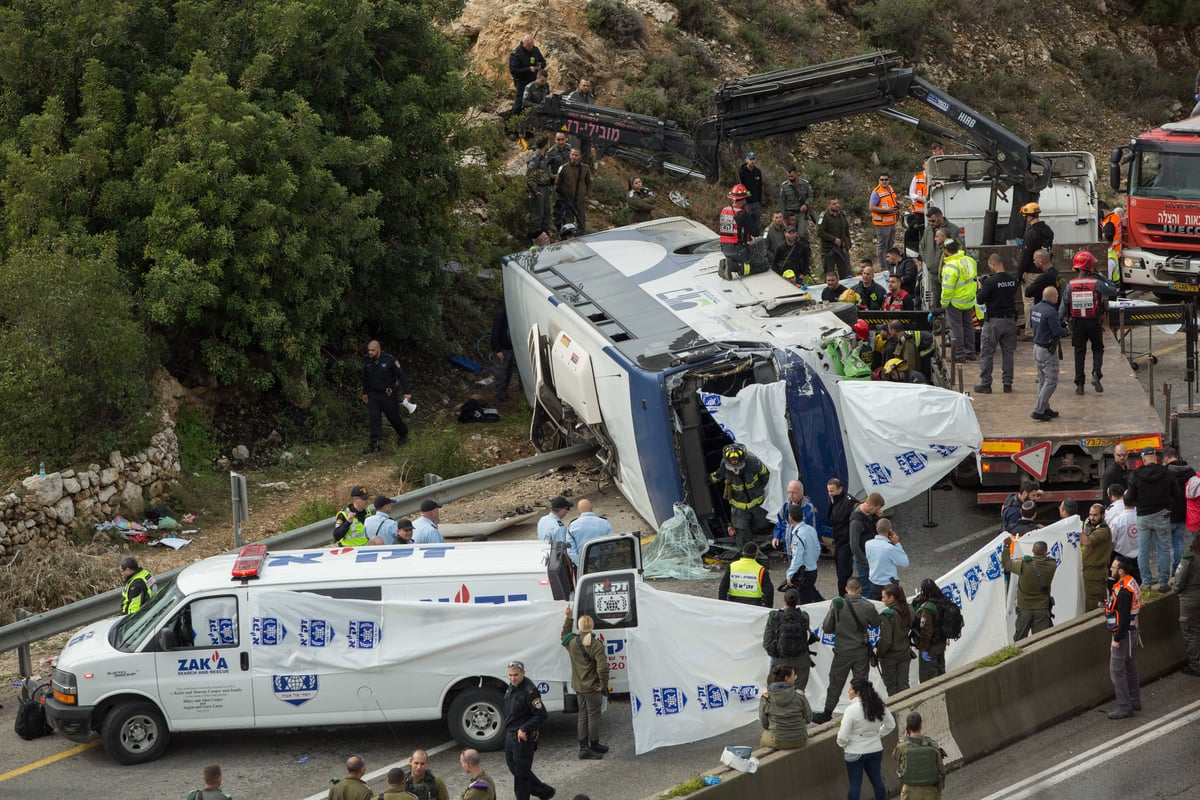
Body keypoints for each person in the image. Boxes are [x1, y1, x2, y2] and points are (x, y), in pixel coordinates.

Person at [813, 578, 880, 724]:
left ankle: (827, 713)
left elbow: (827, 628)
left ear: (846, 588)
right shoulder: (867, 606)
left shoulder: (837, 605)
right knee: (861, 683)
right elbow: (876, 623)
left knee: (836, 683)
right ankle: (864, 711)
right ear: (860, 589)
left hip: (842, 652)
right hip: (861, 651)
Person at [1060, 250, 1118, 395]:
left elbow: (1063, 306)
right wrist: (1102, 276)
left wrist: (1058, 322)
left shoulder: (1070, 285)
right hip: (1094, 322)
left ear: (1076, 267)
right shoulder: (1096, 283)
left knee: (1079, 352)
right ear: (1091, 266)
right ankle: (1096, 375)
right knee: (1097, 349)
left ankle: (1079, 385)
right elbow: (1113, 290)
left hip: (1078, 323)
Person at [1127, 447, 1182, 591]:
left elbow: (1129, 498)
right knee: (1163, 548)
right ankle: (1163, 583)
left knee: (1143, 550)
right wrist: (1168, 507)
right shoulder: (1167, 473)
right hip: (1162, 516)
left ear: (1143, 459)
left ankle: (1146, 583)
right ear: (1157, 458)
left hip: (1143, 517)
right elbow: (1177, 494)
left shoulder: (1136, 475)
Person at [835, 678, 896, 800]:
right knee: (877, 781)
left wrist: (844, 745)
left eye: (851, 689)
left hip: (854, 751)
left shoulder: (851, 710)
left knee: (855, 785)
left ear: (857, 692)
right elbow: (891, 725)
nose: (848, 691)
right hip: (875, 749)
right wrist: (877, 735)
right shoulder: (878, 705)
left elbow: (842, 736)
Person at [562, 607, 610, 759]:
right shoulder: (596, 645)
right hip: (592, 687)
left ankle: (584, 747)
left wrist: (568, 618)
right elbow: (603, 668)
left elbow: (563, 635)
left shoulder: (572, 641)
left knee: (582, 716)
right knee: (593, 717)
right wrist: (603, 684)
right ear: (592, 626)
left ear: (579, 626)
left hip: (578, 686)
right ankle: (593, 745)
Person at [502, 661, 553, 800]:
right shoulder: (512, 686)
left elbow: (541, 714)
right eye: (510, 675)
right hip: (510, 735)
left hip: (522, 738)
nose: (513, 678)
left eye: (516, 675)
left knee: (521, 776)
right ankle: (544, 791)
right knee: (514, 768)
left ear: (523, 673)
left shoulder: (530, 691)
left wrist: (524, 728)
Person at [708, 442, 769, 551]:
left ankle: (758, 540)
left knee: (762, 524)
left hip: (756, 502)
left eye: (736, 460)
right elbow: (718, 475)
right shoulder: (724, 465)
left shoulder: (753, 462)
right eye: (732, 461)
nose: (735, 463)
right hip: (738, 505)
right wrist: (710, 479)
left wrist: (760, 488)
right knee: (741, 531)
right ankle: (747, 553)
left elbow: (765, 474)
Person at [974, 252, 1019, 394]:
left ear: (993, 265)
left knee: (987, 353)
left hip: (993, 321)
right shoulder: (1012, 279)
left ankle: (986, 384)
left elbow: (980, 299)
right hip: (1010, 320)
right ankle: (1007, 383)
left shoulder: (990, 282)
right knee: (1008, 353)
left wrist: (980, 286)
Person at [1105, 557, 1142, 719]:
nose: (1110, 570)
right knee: (1130, 666)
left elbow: (1124, 618)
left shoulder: (1124, 591)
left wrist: (1117, 639)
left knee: (1117, 671)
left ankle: (1125, 706)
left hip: (1124, 633)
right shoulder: (1130, 581)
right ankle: (1135, 701)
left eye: (1113, 567)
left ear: (1121, 571)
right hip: (1133, 631)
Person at [362, 340, 412, 453]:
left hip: (388, 394)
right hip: (373, 394)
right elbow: (366, 378)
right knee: (374, 418)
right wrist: (365, 392)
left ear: (378, 349)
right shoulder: (368, 361)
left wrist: (407, 392)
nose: (370, 352)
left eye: (372, 350)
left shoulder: (389, 360)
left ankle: (403, 433)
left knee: (393, 417)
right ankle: (375, 443)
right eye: (369, 350)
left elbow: (401, 376)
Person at [763, 588, 816, 691]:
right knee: (799, 692)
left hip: (780, 659)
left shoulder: (775, 617)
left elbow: (767, 642)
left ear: (784, 600)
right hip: (801, 659)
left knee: (774, 690)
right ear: (798, 601)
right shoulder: (804, 617)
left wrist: (775, 654)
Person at [1004, 539, 1058, 640]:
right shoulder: (1052, 565)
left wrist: (1007, 547)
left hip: (1024, 608)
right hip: (1042, 608)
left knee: (1020, 639)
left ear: (1033, 551)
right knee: (1041, 639)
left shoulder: (1023, 566)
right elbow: (1048, 560)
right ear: (1045, 551)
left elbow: (1006, 563)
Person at [1017, 202, 1055, 334]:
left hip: (1031, 274)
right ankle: (1046, 326)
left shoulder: (1030, 234)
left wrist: (1019, 275)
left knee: (1029, 302)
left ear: (1028, 217)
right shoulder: (1048, 231)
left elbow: (1025, 257)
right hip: (1045, 271)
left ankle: (1030, 330)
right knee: (1045, 300)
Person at [1030, 286, 1066, 422]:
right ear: (1052, 297)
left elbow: (1033, 326)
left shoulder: (1035, 308)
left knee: (1042, 380)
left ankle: (1045, 408)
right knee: (1051, 381)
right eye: (1056, 296)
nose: (1057, 298)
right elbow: (1057, 331)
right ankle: (1038, 410)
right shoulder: (1050, 312)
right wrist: (1065, 329)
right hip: (1047, 350)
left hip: (1037, 347)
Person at [717, 184, 769, 279]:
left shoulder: (724, 210)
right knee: (763, 264)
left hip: (724, 248)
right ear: (744, 199)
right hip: (738, 249)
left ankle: (726, 263)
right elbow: (755, 232)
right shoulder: (742, 214)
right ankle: (734, 266)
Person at [892, 712, 947, 800]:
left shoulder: (902, 747)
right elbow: (941, 769)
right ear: (921, 725)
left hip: (909, 792)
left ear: (908, 728)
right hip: (930, 791)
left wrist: (904, 739)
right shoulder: (933, 745)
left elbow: (895, 757)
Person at [758, 663, 812, 750]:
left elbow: (764, 723)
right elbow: (809, 719)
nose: (795, 678)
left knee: (764, 736)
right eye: (794, 676)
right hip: (801, 740)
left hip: (778, 740)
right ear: (787, 678)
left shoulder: (766, 698)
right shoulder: (799, 695)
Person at [939, 239, 977, 362]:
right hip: (969, 299)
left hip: (955, 301)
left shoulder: (950, 266)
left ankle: (959, 355)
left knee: (956, 328)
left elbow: (947, 288)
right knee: (968, 326)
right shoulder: (969, 260)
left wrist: (944, 303)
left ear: (946, 250)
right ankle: (970, 353)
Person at [876, 582, 914, 696]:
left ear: (891, 597)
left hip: (890, 657)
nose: (882, 600)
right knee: (904, 684)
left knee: (892, 687)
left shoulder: (887, 615)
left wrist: (879, 654)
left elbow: (886, 640)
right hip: (905, 652)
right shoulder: (909, 608)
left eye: (884, 597)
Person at [1162, 445, 1195, 573]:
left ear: (1166, 458)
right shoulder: (1190, 471)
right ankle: (1177, 570)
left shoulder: (1165, 472)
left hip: (1168, 514)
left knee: (1164, 545)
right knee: (1179, 542)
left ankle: (1165, 575)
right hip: (1183, 512)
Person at [1171, 535, 1200, 676]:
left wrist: (1176, 589)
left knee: (1191, 632)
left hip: (1190, 599)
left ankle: (1195, 665)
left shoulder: (1190, 557)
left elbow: (1179, 579)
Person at [919, 207, 958, 308]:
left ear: (940, 217)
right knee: (937, 303)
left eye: (933, 220)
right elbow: (922, 246)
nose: (931, 223)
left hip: (948, 273)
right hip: (933, 274)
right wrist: (927, 260)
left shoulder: (953, 230)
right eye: (929, 221)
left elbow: (959, 249)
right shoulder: (928, 230)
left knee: (950, 302)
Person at [784, 503, 823, 604]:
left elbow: (797, 558)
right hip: (813, 569)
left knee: (803, 602)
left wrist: (790, 574)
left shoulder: (798, 534)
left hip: (803, 573)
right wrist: (812, 561)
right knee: (811, 595)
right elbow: (818, 549)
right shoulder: (811, 529)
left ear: (790, 517)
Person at [913, 579, 949, 682]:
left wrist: (924, 649)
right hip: (941, 643)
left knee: (929, 678)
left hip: (930, 647)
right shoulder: (943, 601)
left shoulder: (928, 608)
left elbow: (926, 631)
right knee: (941, 673)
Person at [718, 542, 774, 607]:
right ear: (756, 554)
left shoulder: (732, 566)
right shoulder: (761, 570)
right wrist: (768, 608)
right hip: (755, 604)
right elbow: (769, 592)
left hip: (734, 602)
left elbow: (723, 588)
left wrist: (722, 605)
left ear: (743, 553)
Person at [849, 493, 884, 594]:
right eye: (877, 508)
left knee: (875, 587)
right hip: (864, 559)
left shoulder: (872, 513)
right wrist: (865, 562)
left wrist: (880, 517)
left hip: (873, 556)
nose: (878, 511)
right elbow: (854, 545)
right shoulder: (856, 521)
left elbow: (881, 529)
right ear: (869, 505)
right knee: (866, 588)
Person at [1106, 484, 1142, 584]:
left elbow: (1112, 541)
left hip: (1120, 556)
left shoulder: (1118, 521)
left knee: (1117, 583)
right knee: (1136, 582)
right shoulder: (1140, 518)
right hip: (1138, 557)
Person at [1081, 503, 1114, 610]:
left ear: (1103, 515)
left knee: (1093, 605)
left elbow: (1087, 542)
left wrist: (1077, 529)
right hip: (1091, 572)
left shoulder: (1103, 530)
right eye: (1090, 515)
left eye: (1095, 515)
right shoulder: (1093, 527)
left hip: (1096, 573)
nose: (1092, 518)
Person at [865, 519, 908, 601]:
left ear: (877, 529)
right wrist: (897, 544)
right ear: (890, 530)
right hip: (889, 585)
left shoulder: (868, 544)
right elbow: (905, 562)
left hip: (874, 583)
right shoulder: (890, 548)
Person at [828, 478, 856, 597]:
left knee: (843, 574)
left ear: (840, 489)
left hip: (846, 542)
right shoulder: (834, 500)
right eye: (829, 491)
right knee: (840, 573)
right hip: (838, 542)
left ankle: (845, 596)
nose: (830, 494)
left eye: (832, 491)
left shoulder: (849, 502)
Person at [566, 498, 614, 565]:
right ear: (591, 509)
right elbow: (611, 545)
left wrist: (582, 565)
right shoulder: (605, 523)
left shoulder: (572, 526)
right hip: (603, 563)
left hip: (582, 564)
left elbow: (571, 551)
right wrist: (601, 562)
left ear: (578, 512)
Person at [507, 35, 546, 117]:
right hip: (522, 82)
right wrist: (528, 69)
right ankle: (513, 125)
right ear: (523, 43)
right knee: (520, 102)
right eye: (529, 46)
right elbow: (513, 70)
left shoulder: (535, 50)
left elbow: (543, 61)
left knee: (535, 102)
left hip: (534, 81)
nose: (531, 48)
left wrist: (540, 66)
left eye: (532, 45)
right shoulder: (516, 54)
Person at [555, 147, 592, 233]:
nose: (574, 157)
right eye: (572, 154)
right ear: (570, 155)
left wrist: (588, 194)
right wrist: (561, 198)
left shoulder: (585, 168)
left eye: (576, 155)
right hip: (568, 201)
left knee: (581, 222)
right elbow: (557, 184)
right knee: (569, 224)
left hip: (580, 200)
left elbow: (590, 182)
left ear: (580, 156)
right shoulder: (564, 168)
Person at [869, 173, 900, 268]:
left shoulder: (890, 188)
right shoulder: (876, 192)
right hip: (882, 224)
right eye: (882, 180)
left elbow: (892, 200)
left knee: (890, 245)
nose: (884, 181)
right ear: (879, 181)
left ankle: (889, 264)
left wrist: (898, 203)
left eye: (886, 179)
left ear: (889, 180)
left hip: (892, 222)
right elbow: (871, 207)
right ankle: (883, 267)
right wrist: (886, 210)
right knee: (882, 246)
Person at [819, 197, 852, 278]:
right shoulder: (824, 216)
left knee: (846, 273)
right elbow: (820, 232)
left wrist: (848, 243)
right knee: (829, 274)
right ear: (828, 205)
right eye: (834, 204)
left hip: (842, 248)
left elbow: (846, 230)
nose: (837, 205)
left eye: (837, 203)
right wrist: (833, 239)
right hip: (829, 249)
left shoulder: (842, 215)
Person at [490, 307, 515, 402]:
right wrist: (498, 350)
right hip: (502, 349)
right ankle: (500, 395)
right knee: (501, 373)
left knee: (508, 373)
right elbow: (495, 334)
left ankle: (503, 392)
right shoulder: (501, 314)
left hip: (509, 348)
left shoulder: (511, 315)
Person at [738, 152, 765, 227]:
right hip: (746, 203)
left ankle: (755, 237)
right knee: (747, 223)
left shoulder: (758, 172)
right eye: (750, 159)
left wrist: (759, 201)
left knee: (756, 223)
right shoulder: (742, 172)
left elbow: (760, 187)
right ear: (746, 160)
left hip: (756, 203)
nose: (752, 161)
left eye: (753, 159)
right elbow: (739, 187)